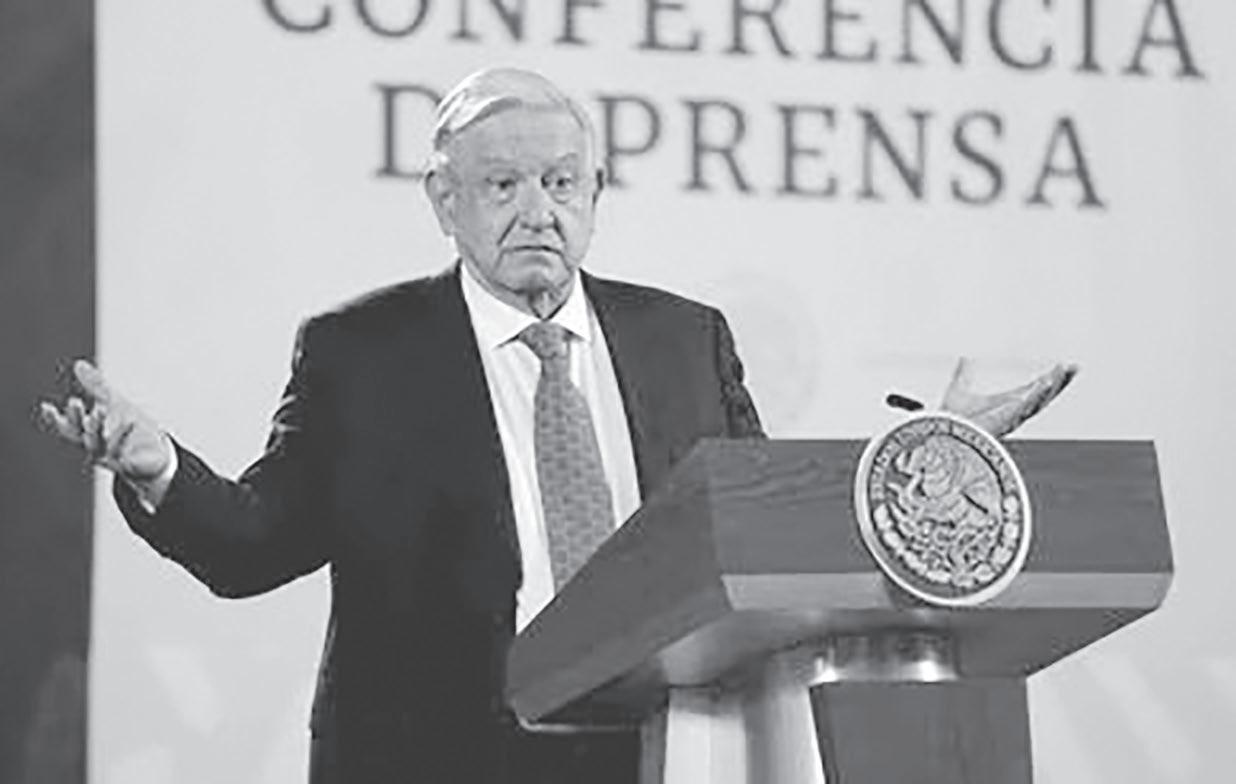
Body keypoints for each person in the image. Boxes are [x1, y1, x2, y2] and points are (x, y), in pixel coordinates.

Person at [39, 68, 1075, 783]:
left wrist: (936, 455)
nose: (538, 209)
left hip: (661, 747)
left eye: (562, 182)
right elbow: (258, 541)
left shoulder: (685, 340)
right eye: (503, 184)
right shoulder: (363, 355)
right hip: (437, 756)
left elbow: (764, 532)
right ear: (444, 200)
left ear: (595, 193)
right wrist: (157, 467)